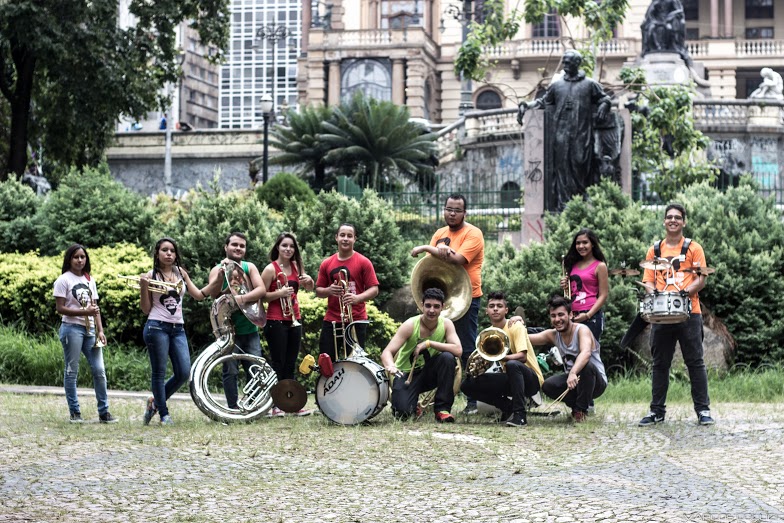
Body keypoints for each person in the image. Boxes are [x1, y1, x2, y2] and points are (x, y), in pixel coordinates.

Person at [638, 203, 714, 427]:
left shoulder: (694, 248)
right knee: (660, 363)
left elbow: (701, 278)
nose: (673, 220)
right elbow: (648, 280)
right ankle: (656, 411)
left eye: (677, 217)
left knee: (695, 362)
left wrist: (684, 292)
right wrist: (656, 296)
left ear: (684, 221)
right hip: (662, 314)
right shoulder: (655, 249)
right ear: (664, 221)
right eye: (669, 217)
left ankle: (703, 410)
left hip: (690, 311)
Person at [411, 193, 484, 414]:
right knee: (436, 349)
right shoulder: (440, 234)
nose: (452, 214)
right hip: (441, 299)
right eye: (448, 209)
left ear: (465, 212)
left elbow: (457, 260)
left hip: (466, 298)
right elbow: (431, 264)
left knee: (467, 347)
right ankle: (436, 395)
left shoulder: (473, 233)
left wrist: (425, 247)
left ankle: (472, 399)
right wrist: (434, 251)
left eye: (457, 210)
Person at [517, 50, 611, 212]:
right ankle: (564, 205)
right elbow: (543, 102)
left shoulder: (589, 84)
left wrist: (604, 105)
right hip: (560, 135)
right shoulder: (557, 85)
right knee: (562, 170)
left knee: (581, 166)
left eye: (568, 62)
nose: (565, 65)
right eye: (564, 62)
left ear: (576, 63)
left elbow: (604, 98)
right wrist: (527, 105)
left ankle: (580, 204)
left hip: (582, 136)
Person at [138, 237, 206, 425]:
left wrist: (215, 282)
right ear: (157, 254)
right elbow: (145, 309)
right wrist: (144, 287)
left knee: (184, 372)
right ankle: (164, 415)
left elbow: (198, 295)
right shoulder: (150, 275)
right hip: (156, 326)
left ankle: (154, 403)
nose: (169, 254)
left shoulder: (181, 273)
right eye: (164, 250)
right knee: (159, 372)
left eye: (172, 251)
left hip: (178, 328)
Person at [204, 233, 268, 414]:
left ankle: (252, 406)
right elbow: (214, 295)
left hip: (250, 328)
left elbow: (261, 290)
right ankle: (232, 408)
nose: (238, 248)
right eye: (234, 245)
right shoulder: (216, 269)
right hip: (228, 329)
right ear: (226, 247)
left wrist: (239, 298)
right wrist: (220, 276)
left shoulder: (250, 267)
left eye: (242, 246)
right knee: (230, 370)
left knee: (255, 369)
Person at [53, 244, 117, 424]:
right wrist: (84, 313)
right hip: (71, 329)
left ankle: (104, 412)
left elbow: (95, 308)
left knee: (99, 371)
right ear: (69, 259)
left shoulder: (90, 280)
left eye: (83, 257)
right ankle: (75, 412)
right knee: (71, 371)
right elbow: (60, 308)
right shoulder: (63, 280)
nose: (80, 260)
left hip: (90, 331)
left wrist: (100, 330)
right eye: (76, 257)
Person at [460, 291, 544, 427]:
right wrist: (476, 369)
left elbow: (522, 357)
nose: (495, 309)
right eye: (491, 306)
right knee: (467, 385)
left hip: (531, 379)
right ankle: (507, 407)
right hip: (510, 379)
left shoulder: (516, 326)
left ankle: (520, 415)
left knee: (512, 364)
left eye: (499, 306)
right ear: (486, 311)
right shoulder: (488, 333)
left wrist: (501, 356)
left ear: (506, 310)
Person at [381, 288, 462, 423]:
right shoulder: (410, 325)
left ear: (443, 307)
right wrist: (391, 366)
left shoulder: (447, 324)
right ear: (421, 305)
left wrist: (429, 343)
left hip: (429, 374)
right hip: (407, 375)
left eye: (436, 306)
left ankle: (442, 410)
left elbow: (458, 350)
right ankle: (413, 407)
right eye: (428, 305)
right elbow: (387, 352)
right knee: (403, 415)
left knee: (447, 357)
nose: (431, 310)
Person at [528, 296, 607, 422]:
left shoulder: (582, 330)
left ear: (570, 315)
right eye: (553, 316)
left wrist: (573, 372)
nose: (557, 319)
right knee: (548, 386)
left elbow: (586, 353)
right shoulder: (553, 335)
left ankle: (581, 411)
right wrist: (517, 322)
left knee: (586, 366)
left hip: (595, 381)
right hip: (573, 382)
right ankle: (576, 408)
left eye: (561, 315)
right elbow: (527, 339)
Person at [261, 232, 315, 416]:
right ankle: (275, 404)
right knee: (279, 362)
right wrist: (279, 293)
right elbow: (262, 295)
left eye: (291, 246)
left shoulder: (297, 266)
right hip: (275, 319)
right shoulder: (270, 269)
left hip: (294, 318)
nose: (288, 249)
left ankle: (290, 403)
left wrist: (310, 282)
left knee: (291, 363)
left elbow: (307, 288)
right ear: (278, 247)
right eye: (284, 245)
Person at [315, 223, 379, 361]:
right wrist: (329, 290)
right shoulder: (327, 263)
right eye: (342, 235)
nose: (345, 239)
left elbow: (374, 289)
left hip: (356, 319)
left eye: (349, 236)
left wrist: (357, 298)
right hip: (332, 320)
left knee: (356, 363)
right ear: (336, 237)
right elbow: (319, 291)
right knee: (326, 361)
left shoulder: (364, 262)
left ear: (355, 239)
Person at [560, 228, 609, 342]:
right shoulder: (573, 264)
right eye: (578, 243)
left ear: (592, 244)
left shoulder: (600, 266)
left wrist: (588, 315)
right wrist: (565, 285)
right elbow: (573, 290)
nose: (581, 246)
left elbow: (603, 295)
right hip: (573, 315)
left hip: (591, 316)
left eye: (585, 242)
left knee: (589, 354)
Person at [640, 0, 690, 65]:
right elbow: (649, 14)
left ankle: (671, 45)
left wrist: (671, 16)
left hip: (669, 20)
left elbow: (679, 10)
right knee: (651, 28)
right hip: (657, 20)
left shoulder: (673, 0)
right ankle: (657, 47)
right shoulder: (655, 1)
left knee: (669, 28)